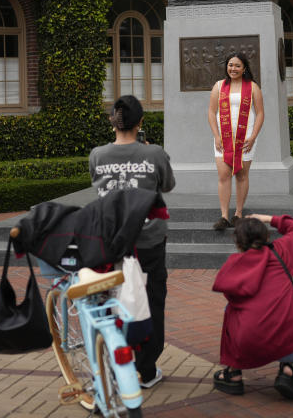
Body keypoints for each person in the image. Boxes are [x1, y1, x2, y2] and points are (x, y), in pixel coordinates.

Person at [88, 94, 175, 389]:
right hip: (149, 239)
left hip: (111, 241)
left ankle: (116, 363)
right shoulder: (155, 154)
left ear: (113, 122)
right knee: (151, 299)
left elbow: (97, 187)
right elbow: (168, 185)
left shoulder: (97, 155)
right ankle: (146, 369)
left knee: (114, 300)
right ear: (140, 123)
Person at [211, 213, 293, 400]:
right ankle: (288, 369)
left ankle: (233, 374)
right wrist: (266, 218)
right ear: (267, 237)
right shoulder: (281, 251)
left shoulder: (233, 266)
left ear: (238, 243)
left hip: (250, 341)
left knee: (231, 311)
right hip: (292, 337)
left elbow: (231, 296)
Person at [207, 53, 264, 231]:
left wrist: (253, 136)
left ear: (244, 68)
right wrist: (216, 135)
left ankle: (238, 214)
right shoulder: (218, 86)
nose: (233, 68)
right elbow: (211, 112)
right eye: (230, 65)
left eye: (237, 65)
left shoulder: (253, 87)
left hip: (245, 137)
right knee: (223, 176)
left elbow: (260, 113)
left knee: (241, 175)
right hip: (223, 138)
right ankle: (224, 216)